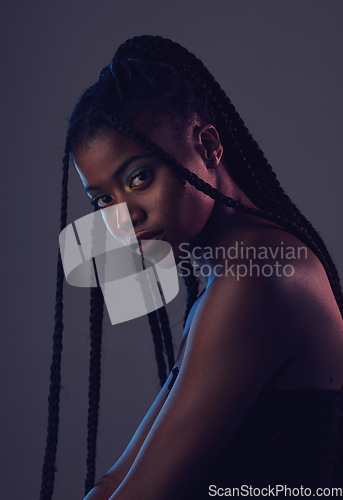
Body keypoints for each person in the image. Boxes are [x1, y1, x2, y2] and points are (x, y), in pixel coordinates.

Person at [40, 35, 343, 500]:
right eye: (102, 200)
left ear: (208, 145)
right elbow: (115, 483)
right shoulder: (234, 273)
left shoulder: (257, 279)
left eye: (139, 177)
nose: (125, 217)